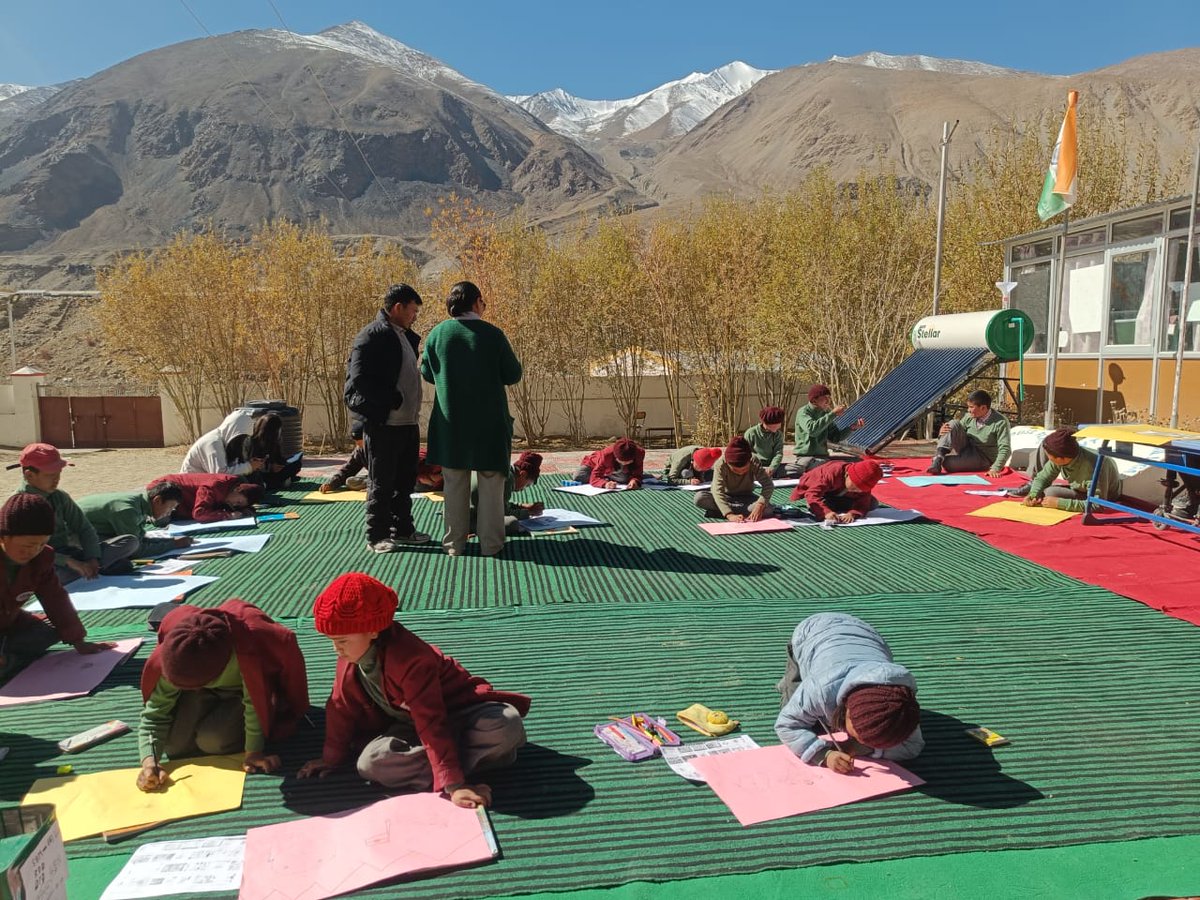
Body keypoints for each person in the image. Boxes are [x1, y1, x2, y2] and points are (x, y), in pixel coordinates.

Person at [298, 574, 530, 808]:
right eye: (331, 640)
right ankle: (468, 762)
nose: (336, 649)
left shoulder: (412, 660)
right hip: (412, 726)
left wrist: (454, 785)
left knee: (505, 724)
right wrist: (330, 758)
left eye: (342, 641)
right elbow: (340, 707)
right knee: (371, 764)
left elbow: (431, 720)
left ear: (373, 630)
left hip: (458, 712)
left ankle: (449, 771)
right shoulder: (351, 659)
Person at [136, 599, 310, 791]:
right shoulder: (175, 653)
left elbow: (255, 700)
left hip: (239, 695)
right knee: (175, 745)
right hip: (200, 693)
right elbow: (155, 713)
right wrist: (149, 761)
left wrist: (253, 751)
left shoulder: (247, 651)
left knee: (213, 741)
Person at [421, 281, 523, 557]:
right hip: (489, 424)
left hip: (451, 425)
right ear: (477, 302)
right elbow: (513, 375)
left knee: (454, 484)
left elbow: (427, 373)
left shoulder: (437, 335)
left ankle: (455, 544)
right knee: (491, 483)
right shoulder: (493, 335)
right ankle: (491, 544)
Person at [775, 612, 923, 773]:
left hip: (868, 635)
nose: (860, 741)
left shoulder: (902, 708)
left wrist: (859, 747)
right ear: (846, 709)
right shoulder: (820, 689)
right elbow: (786, 724)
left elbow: (912, 746)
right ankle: (788, 682)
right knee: (792, 704)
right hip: (811, 634)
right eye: (857, 735)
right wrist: (823, 754)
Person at [344, 283, 430, 553]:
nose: (415, 316)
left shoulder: (403, 336)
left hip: (407, 423)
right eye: (412, 310)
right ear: (397, 307)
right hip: (384, 423)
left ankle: (402, 529)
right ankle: (377, 535)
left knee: (404, 481)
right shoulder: (373, 335)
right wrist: (388, 399)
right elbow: (358, 378)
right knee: (381, 483)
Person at [0, 493, 115, 683]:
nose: (33, 551)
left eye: (41, 544)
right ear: (4, 537)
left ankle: (8, 660)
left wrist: (78, 641)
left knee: (48, 634)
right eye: (27, 545)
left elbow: (55, 598)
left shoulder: (42, 558)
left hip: (10, 621)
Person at [14, 443, 138, 583]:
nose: (57, 479)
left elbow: (84, 528)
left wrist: (93, 557)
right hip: (41, 560)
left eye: (59, 473)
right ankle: (88, 570)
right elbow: (29, 551)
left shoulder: (59, 496)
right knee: (46, 576)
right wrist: (69, 562)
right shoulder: (19, 505)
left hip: (68, 553)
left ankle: (89, 569)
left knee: (130, 542)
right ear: (29, 475)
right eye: (50, 475)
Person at [1011, 427, 1122, 512]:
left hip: (1105, 497)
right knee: (1048, 492)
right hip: (1079, 490)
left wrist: (1060, 503)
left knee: (1050, 494)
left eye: (1049, 456)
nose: (1048, 458)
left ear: (1061, 458)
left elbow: (1098, 505)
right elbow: (1043, 477)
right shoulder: (1062, 458)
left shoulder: (1095, 467)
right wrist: (1033, 494)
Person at [79, 482, 190, 557]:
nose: (169, 513)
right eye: (170, 508)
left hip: (85, 531)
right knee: (128, 547)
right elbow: (136, 550)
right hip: (70, 536)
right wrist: (173, 544)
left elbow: (140, 539)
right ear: (157, 500)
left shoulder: (138, 503)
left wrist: (171, 541)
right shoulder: (128, 510)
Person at [928, 389, 1011, 476]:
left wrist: (995, 468)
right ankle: (938, 457)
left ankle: (941, 460)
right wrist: (942, 433)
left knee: (947, 464)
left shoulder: (1000, 422)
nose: (968, 410)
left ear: (983, 408)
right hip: (966, 448)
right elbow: (955, 431)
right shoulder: (969, 417)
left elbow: (1005, 448)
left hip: (983, 457)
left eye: (971, 407)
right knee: (953, 423)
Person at [787, 385, 865, 475]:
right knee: (830, 467)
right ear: (814, 400)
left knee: (857, 462)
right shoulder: (803, 412)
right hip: (807, 457)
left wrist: (852, 428)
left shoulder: (826, 413)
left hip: (823, 457)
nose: (828, 401)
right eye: (825, 398)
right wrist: (833, 414)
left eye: (829, 398)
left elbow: (836, 437)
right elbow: (812, 430)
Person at [694, 436, 775, 521]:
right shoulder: (721, 464)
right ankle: (727, 511)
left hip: (746, 498)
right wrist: (729, 515)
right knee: (700, 498)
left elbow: (768, 485)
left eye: (744, 469)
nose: (740, 472)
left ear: (749, 461)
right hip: (726, 497)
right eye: (735, 470)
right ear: (728, 463)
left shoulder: (754, 461)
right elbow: (717, 491)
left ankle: (720, 511)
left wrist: (760, 505)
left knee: (768, 509)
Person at [469, 451, 544, 536]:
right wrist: (529, 512)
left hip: (461, 513)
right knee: (512, 523)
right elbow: (502, 512)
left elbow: (497, 503)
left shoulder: (505, 470)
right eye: (527, 485)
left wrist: (521, 506)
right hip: (467, 519)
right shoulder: (507, 478)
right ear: (523, 474)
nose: (523, 489)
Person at [790, 458, 883, 524]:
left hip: (840, 495)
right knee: (819, 504)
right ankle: (821, 507)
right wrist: (826, 512)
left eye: (860, 489)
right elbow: (812, 494)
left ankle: (833, 506)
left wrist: (852, 513)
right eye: (855, 487)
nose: (857, 490)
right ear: (848, 475)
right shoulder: (831, 473)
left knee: (872, 503)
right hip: (824, 493)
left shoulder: (865, 484)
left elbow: (863, 500)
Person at [226, 413, 302, 491]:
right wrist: (264, 467)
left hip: (270, 473)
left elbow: (278, 458)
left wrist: (277, 465)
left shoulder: (274, 441)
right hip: (254, 474)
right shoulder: (250, 441)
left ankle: (275, 482)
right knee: (256, 478)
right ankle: (272, 483)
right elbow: (248, 464)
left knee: (296, 465)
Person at [146, 473, 263, 523]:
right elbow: (199, 513)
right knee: (161, 521)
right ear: (237, 489)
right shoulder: (214, 486)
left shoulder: (228, 489)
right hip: (164, 493)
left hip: (179, 502)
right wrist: (228, 515)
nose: (234, 504)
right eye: (238, 501)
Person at [181, 409, 259, 476]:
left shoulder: (223, 441)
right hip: (190, 488)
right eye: (240, 438)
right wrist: (249, 467)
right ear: (232, 431)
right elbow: (220, 474)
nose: (241, 442)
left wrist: (249, 463)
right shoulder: (213, 443)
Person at [575, 438, 645, 490]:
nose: (625, 463)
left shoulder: (639, 454)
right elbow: (595, 477)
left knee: (623, 479)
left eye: (628, 461)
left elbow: (638, 473)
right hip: (594, 465)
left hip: (617, 472)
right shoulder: (606, 455)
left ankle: (610, 476)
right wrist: (605, 484)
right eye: (622, 461)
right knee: (579, 475)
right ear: (615, 456)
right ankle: (608, 477)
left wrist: (635, 480)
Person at [320, 422, 368, 494]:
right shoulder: (360, 450)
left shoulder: (381, 449)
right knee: (350, 481)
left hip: (387, 479)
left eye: (360, 442)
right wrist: (331, 483)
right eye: (356, 442)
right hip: (375, 478)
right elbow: (348, 469)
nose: (358, 444)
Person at [744, 406, 787, 477]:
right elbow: (745, 454)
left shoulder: (778, 435)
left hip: (771, 466)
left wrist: (772, 468)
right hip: (754, 466)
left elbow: (778, 454)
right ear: (767, 423)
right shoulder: (751, 433)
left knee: (797, 469)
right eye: (777, 423)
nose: (779, 426)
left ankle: (768, 474)